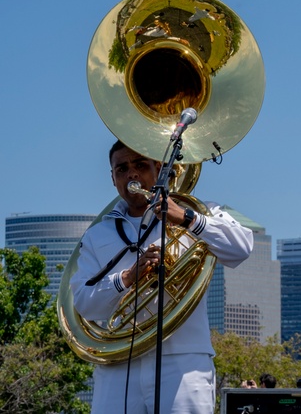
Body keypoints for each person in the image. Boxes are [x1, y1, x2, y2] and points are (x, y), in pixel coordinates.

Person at [72, 140, 254, 413]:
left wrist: (188, 219)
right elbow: (84, 303)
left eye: (140, 165)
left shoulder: (198, 210)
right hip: (120, 363)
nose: (131, 174)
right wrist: (127, 278)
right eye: (121, 169)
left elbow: (241, 248)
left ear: (159, 169)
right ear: (112, 178)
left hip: (183, 359)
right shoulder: (97, 234)